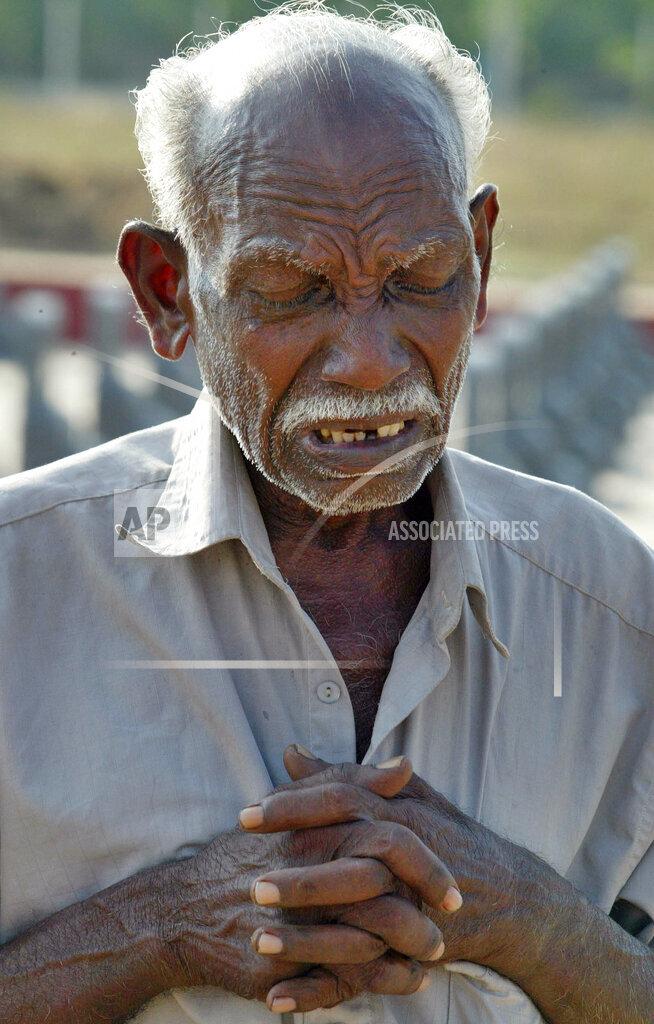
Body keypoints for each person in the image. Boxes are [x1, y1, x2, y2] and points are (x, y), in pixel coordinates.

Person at [0, 5, 652, 1022]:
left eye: (420, 279)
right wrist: (156, 926)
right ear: (168, 292)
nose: (370, 360)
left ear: (479, 259)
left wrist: (530, 918)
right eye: (290, 290)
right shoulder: (17, 590)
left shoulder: (614, 607)